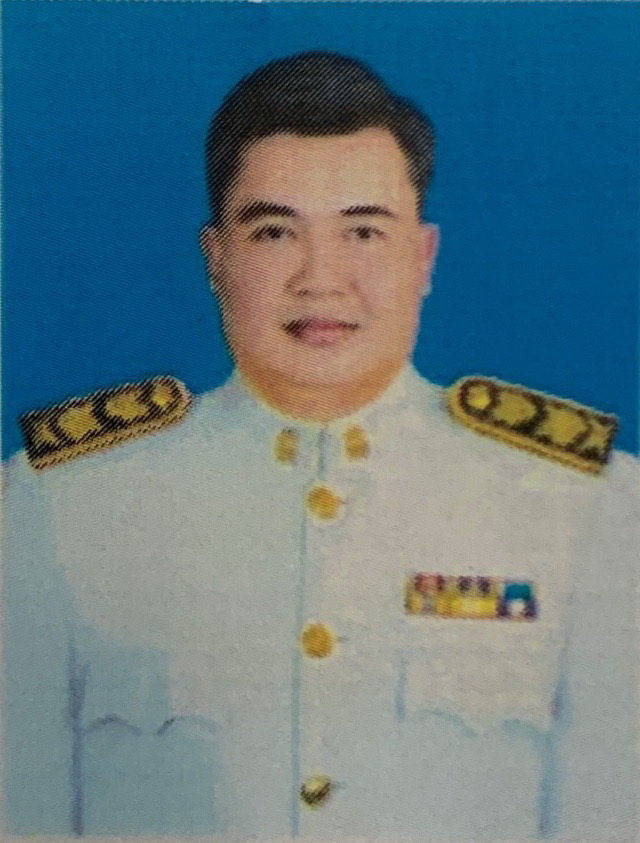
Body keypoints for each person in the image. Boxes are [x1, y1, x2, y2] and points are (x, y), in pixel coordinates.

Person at [3, 51, 637, 841]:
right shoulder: (58, 504)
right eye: (274, 231)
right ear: (215, 259)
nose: (321, 278)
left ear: (424, 257)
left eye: (364, 231)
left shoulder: (586, 508)